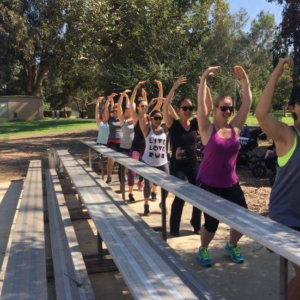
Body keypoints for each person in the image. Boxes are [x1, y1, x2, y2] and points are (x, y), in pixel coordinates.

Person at [196, 65, 252, 267]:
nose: (228, 111)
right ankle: (202, 249)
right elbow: (201, 106)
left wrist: (245, 80)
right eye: (223, 107)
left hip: (230, 183)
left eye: (229, 108)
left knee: (243, 218)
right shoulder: (207, 129)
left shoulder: (235, 127)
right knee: (211, 223)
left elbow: (247, 102)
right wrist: (203, 80)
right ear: (216, 109)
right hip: (209, 184)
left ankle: (232, 244)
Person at [255, 57, 300, 300]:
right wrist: (276, 73)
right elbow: (261, 114)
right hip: (286, 219)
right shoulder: (288, 136)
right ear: (293, 107)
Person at [163, 76, 212, 236]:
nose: (188, 111)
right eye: (184, 108)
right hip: (177, 165)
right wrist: (174, 87)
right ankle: (174, 228)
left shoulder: (196, 123)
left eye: (190, 108)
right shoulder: (173, 124)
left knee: (199, 194)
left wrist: (205, 87)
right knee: (180, 197)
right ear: (178, 109)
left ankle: (196, 225)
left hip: (192, 164)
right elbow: (164, 107)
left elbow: (208, 108)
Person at [127, 80, 165, 202]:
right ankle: (131, 193)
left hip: (148, 149)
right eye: (142, 106)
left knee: (154, 172)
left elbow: (159, 102)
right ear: (138, 107)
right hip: (136, 147)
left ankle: (153, 192)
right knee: (133, 172)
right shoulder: (135, 117)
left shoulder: (149, 117)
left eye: (145, 106)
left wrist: (160, 88)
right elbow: (131, 101)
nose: (144, 107)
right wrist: (136, 88)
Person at [139, 108, 169, 216]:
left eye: (160, 118)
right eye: (155, 118)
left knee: (167, 184)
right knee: (148, 185)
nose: (158, 120)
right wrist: (150, 105)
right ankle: (146, 205)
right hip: (148, 162)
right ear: (151, 120)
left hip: (163, 162)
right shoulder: (147, 130)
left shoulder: (165, 129)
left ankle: (163, 203)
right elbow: (141, 116)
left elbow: (173, 118)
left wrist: (167, 105)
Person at [103, 93, 122, 184]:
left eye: (117, 111)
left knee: (123, 162)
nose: (115, 112)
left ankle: (122, 176)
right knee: (111, 161)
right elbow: (106, 110)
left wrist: (123, 97)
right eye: (114, 111)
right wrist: (108, 100)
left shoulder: (122, 119)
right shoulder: (110, 119)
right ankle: (109, 176)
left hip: (121, 142)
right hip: (112, 142)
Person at [117, 89, 135, 181]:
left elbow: (131, 105)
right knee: (122, 166)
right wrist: (122, 96)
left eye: (130, 109)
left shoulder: (136, 120)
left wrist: (127, 97)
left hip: (133, 147)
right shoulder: (123, 120)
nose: (128, 111)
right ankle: (121, 183)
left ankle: (127, 180)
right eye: (127, 109)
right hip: (124, 147)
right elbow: (119, 106)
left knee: (131, 167)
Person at [95, 96, 109, 174]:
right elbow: (96, 113)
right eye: (103, 113)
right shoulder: (99, 122)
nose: (104, 115)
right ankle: (100, 170)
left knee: (108, 159)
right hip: (100, 143)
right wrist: (98, 102)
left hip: (108, 143)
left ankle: (107, 170)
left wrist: (110, 100)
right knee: (99, 158)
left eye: (105, 113)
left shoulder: (110, 122)